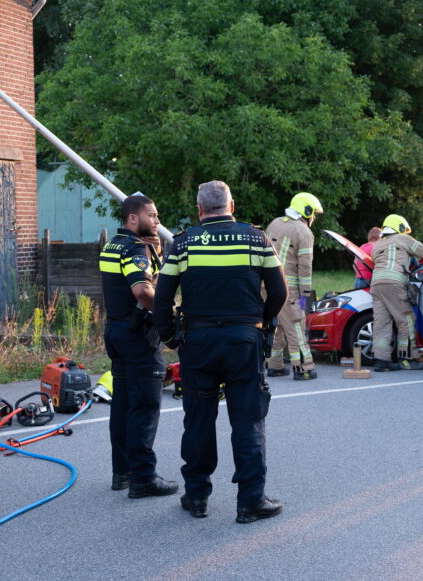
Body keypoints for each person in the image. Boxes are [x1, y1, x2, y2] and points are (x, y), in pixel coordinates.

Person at [153, 180, 288, 524]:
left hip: (197, 344)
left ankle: (197, 497)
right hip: (244, 342)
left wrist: (171, 337)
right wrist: (263, 321)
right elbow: (279, 291)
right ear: (232, 205)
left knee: (198, 420)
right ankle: (251, 501)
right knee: (248, 420)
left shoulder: (181, 243)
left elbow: (162, 298)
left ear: (199, 210)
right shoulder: (256, 238)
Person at [99, 194, 178, 498]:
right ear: (133, 218)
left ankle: (123, 472)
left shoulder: (113, 245)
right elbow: (142, 289)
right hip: (138, 337)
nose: (157, 221)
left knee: (122, 405)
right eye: (152, 216)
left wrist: (155, 257)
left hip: (116, 332)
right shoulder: (134, 248)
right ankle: (144, 478)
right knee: (144, 407)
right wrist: (166, 314)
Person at [265, 192, 323, 380]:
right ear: (306, 211)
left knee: (277, 325)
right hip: (289, 288)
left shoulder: (274, 223)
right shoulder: (303, 231)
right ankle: (304, 368)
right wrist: (305, 297)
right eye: (313, 213)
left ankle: (274, 365)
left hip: (265, 285)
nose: (313, 217)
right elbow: (305, 267)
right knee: (297, 324)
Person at [370, 214, 423, 371]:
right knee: (406, 320)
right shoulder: (403, 239)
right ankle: (407, 358)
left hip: (376, 285)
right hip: (394, 283)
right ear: (400, 228)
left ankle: (381, 360)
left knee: (381, 323)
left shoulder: (377, 245)